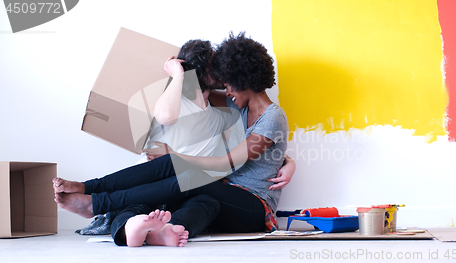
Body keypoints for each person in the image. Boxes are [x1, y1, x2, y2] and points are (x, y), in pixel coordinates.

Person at [53, 32, 291, 247]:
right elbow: (203, 89)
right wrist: (180, 72)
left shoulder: (273, 117)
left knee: (188, 175)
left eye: (229, 84)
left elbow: (226, 163)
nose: (226, 91)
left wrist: (177, 157)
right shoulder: (238, 105)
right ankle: (103, 196)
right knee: (195, 198)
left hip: (255, 207)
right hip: (222, 193)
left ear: (245, 81)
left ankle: (96, 204)